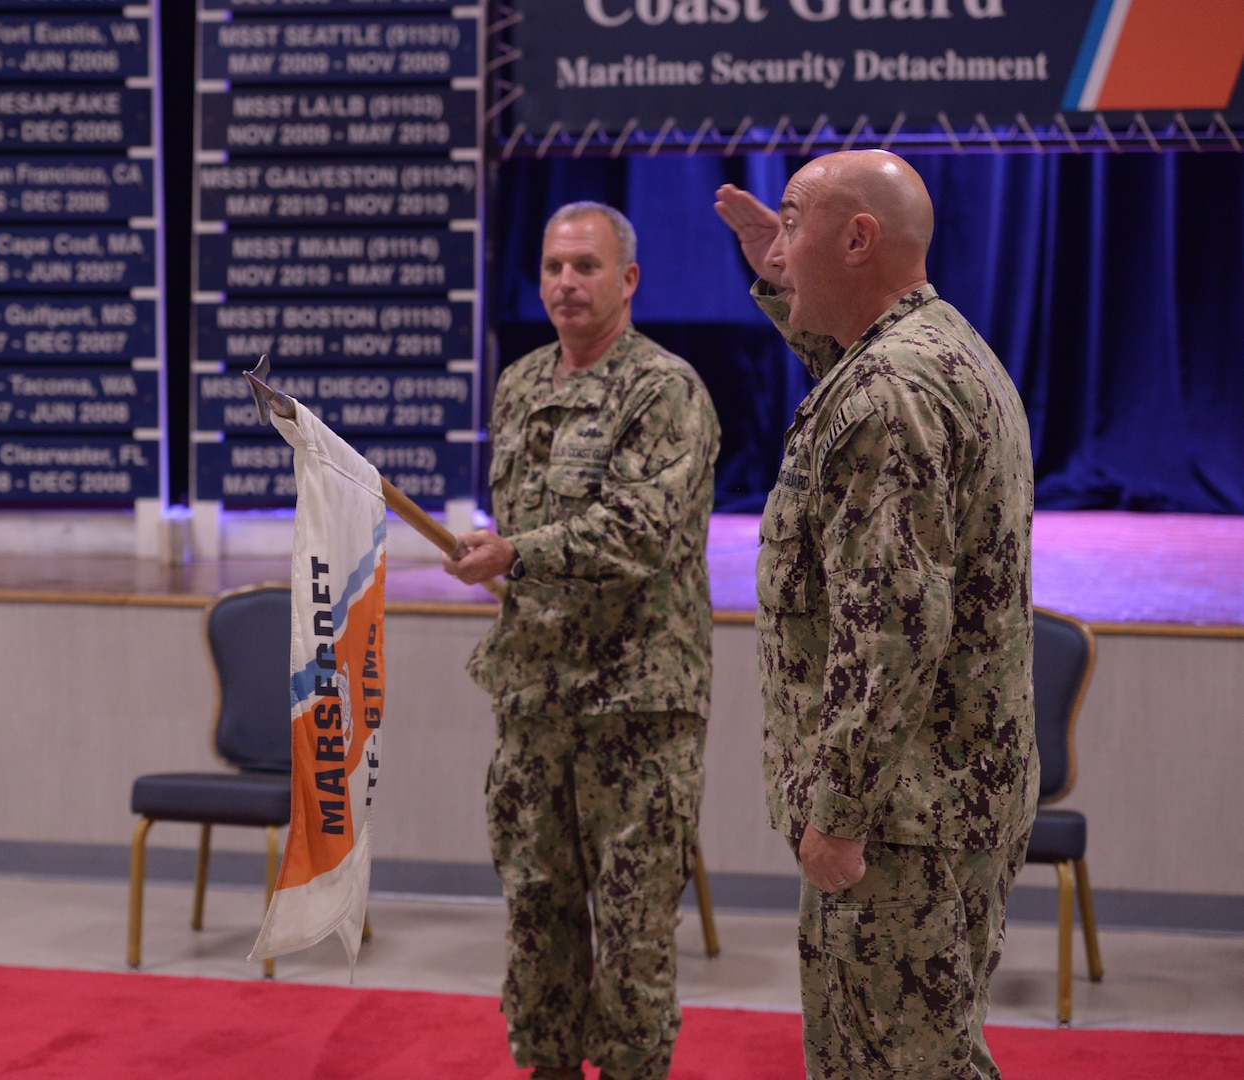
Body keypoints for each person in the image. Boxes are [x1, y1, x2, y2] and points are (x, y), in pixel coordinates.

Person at [715, 152, 1036, 1078]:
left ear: (858, 238)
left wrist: (840, 811)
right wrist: (784, 281)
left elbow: (891, 626)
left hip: (902, 814)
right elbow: (850, 364)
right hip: (933, 800)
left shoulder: (890, 392)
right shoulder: (927, 349)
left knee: (898, 1067)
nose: (779, 241)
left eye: (794, 219)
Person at [443, 202, 719, 1080]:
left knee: (634, 937)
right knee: (536, 924)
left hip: (637, 707)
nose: (567, 281)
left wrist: (518, 552)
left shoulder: (665, 390)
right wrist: (499, 551)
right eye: (555, 266)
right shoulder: (521, 383)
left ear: (628, 279)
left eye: (587, 267)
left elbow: (642, 532)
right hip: (534, 702)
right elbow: (526, 524)